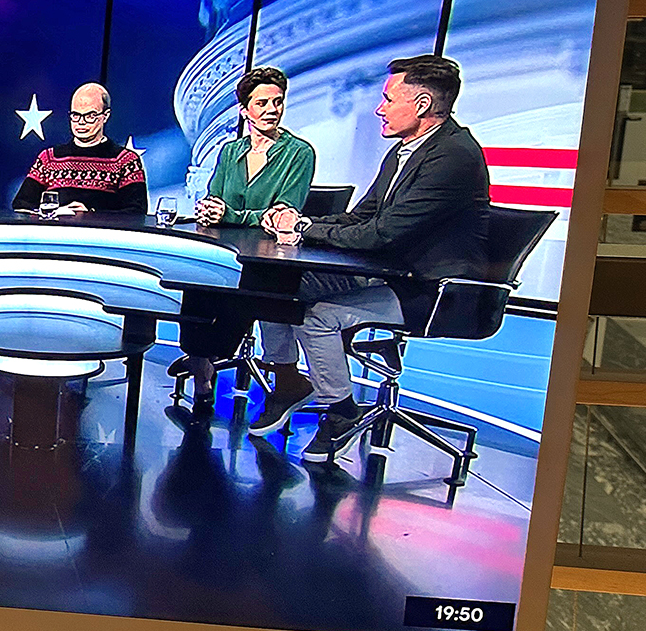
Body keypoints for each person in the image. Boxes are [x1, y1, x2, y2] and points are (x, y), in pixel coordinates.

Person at [251, 54, 490, 463]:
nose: (380, 108)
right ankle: (289, 382)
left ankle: (341, 412)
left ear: (421, 105)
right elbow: (363, 216)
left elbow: (382, 234)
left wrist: (305, 231)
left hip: (430, 289)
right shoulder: (406, 150)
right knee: (271, 283)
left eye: (388, 99)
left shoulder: (453, 157)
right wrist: (301, 220)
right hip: (386, 273)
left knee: (318, 316)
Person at [170, 67, 317, 410]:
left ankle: (219, 358)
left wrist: (232, 215)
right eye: (262, 102)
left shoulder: (299, 153)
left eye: (277, 102)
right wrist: (209, 210)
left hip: (265, 259)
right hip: (223, 250)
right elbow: (216, 196)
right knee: (196, 284)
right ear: (244, 110)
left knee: (241, 292)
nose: (271, 109)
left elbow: (281, 214)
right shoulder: (228, 152)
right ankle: (201, 368)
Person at [12, 83, 148, 215]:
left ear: (105, 116)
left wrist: (90, 215)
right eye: (76, 115)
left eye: (90, 116)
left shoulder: (126, 161)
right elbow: (21, 206)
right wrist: (57, 213)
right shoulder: (48, 158)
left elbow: (136, 213)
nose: (81, 122)